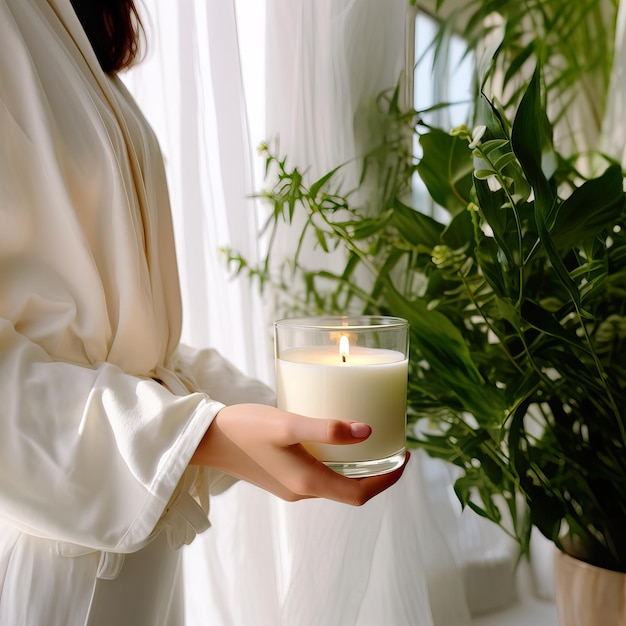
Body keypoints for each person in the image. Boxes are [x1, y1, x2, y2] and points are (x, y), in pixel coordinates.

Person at [0, 0, 409, 624]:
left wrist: (263, 412)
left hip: (142, 547)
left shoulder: (68, 23)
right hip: (53, 549)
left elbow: (112, 338)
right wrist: (204, 434)